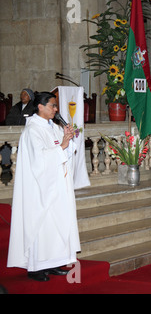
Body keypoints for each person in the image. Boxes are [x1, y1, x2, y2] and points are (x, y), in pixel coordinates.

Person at [7, 91, 80, 282]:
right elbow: (39, 160)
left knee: (56, 225)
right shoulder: (32, 131)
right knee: (42, 226)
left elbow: (65, 150)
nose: (56, 109)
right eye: (52, 106)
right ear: (40, 106)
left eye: (56, 106)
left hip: (57, 185)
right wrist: (62, 146)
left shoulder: (53, 127)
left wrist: (68, 139)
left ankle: (54, 262)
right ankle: (36, 268)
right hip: (41, 189)